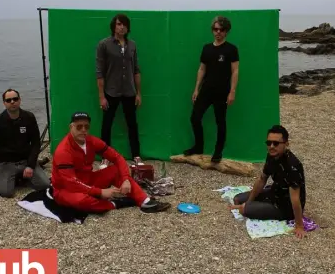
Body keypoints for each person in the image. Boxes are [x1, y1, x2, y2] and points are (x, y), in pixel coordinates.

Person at [50, 111, 171, 214]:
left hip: (88, 180)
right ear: (71, 127)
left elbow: (117, 157)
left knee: (115, 170)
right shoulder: (63, 151)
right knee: (82, 201)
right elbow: (71, 182)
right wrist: (100, 192)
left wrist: (125, 179)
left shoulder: (91, 141)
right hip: (67, 189)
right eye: (79, 126)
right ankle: (115, 203)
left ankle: (145, 202)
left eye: (86, 127)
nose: (83, 130)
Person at [230, 125, 307, 239]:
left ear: (286, 144)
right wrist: (250, 201)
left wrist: (299, 225)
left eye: (276, 143)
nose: (271, 146)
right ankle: (253, 205)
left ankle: (261, 208)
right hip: (275, 192)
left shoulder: (292, 166)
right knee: (237, 199)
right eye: (269, 143)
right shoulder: (271, 156)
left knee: (243, 209)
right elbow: (262, 179)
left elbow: (295, 199)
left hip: (285, 206)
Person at [184, 16, 239, 162]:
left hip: (222, 91)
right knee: (195, 118)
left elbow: (235, 71)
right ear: (212, 30)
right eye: (215, 29)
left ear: (226, 31)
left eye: (221, 29)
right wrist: (196, 89)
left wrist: (232, 91)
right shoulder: (207, 48)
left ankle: (218, 152)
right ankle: (198, 146)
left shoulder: (231, 49)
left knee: (220, 121)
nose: (218, 32)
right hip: (206, 90)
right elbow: (202, 69)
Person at [0, 89, 50, 197]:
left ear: (20, 100)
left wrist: (31, 165)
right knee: (4, 193)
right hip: (6, 163)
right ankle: (14, 178)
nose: (12, 102)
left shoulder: (29, 117)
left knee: (45, 185)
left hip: (26, 161)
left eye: (15, 99)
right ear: (4, 103)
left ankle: (23, 177)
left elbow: (36, 143)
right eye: (8, 100)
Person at [95, 13, 143, 168]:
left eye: (124, 24)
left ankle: (136, 156)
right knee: (107, 124)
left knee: (132, 124)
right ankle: (105, 157)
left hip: (129, 91)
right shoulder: (104, 45)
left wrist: (138, 93)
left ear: (127, 27)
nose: (121, 27)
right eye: (118, 24)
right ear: (113, 27)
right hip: (111, 91)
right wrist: (101, 96)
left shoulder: (132, 45)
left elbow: (136, 70)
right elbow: (99, 71)